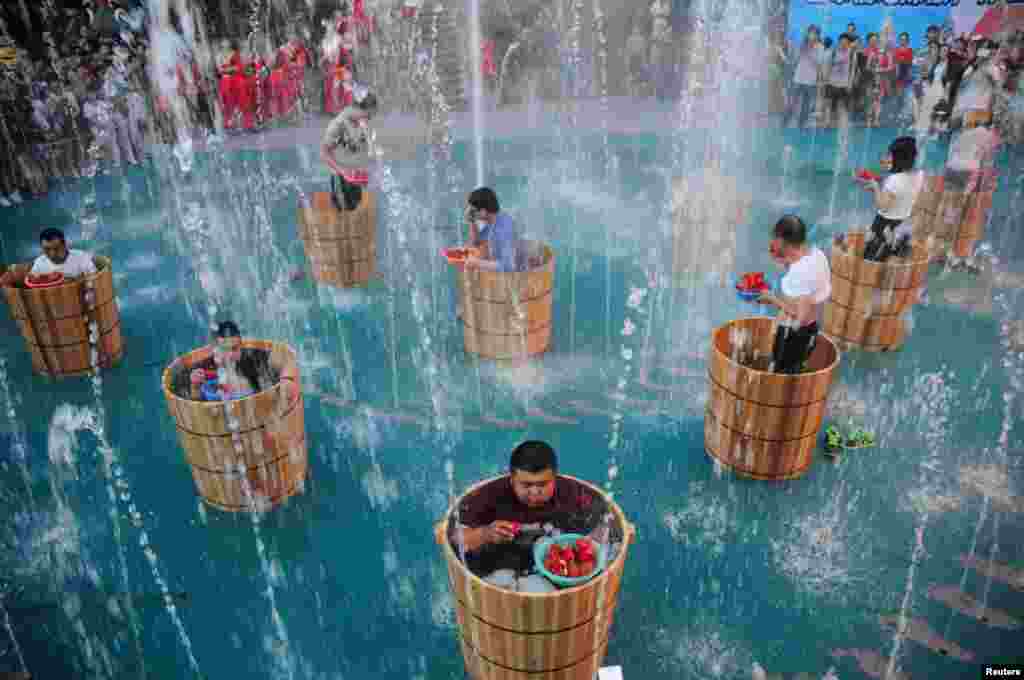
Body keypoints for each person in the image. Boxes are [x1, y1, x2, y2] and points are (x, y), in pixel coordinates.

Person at [448, 441, 609, 593]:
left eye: (542, 485)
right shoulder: (491, 496)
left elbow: (605, 522)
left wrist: (590, 550)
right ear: (511, 480)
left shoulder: (570, 494)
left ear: (555, 479)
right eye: (526, 485)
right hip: (501, 565)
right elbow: (455, 538)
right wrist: (486, 534)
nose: (534, 493)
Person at [757, 216, 831, 374]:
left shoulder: (797, 274)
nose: (773, 242)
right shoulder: (818, 255)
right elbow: (810, 289)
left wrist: (771, 299)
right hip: (812, 330)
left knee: (780, 376)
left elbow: (799, 316)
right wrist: (785, 262)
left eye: (776, 238)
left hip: (793, 334)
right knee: (795, 372)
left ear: (784, 242)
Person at [857, 137, 924, 262]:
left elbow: (883, 205)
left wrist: (876, 187)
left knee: (871, 259)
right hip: (900, 221)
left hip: (883, 223)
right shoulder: (919, 175)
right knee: (887, 253)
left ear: (898, 158)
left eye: (891, 155)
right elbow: (901, 195)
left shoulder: (895, 180)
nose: (889, 158)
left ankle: (871, 273)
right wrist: (881, 186)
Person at [185, 321, 276, 401]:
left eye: (234, 349)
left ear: (241, 347)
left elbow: (282, 357)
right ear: (215, 352)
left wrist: (286, 379)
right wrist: (195, 386)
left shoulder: (253, 365)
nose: (230, 355)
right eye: (224, 350)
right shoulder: (209, 373)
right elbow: (197, 404)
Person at [320, 85, 378, 211]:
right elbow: (324, 153)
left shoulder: (361, 124)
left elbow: (365, 150)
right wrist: (343, 172)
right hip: (340, 175)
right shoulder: (338, 125)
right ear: (357, 109)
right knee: (342, 208)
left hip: (354, 173)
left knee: (355, 207)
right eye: (367, 115)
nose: (369, 119)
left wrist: (365, 172)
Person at [464, 187, 523, 272]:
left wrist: (477, 263)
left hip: (515, 278)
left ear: (483, 211)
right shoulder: (493, 221)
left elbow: (508, 267)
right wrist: (472, 222)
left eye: (472, 211)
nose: (470, 213)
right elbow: (476, 243)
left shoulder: (503, 228)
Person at [787, 25, 822, 128]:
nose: (811, 35)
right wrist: (803, 47)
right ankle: (785, 122)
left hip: (810, 80)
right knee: (792, 103)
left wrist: (810, 51)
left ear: (817, 35)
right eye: (810, 32)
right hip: (798, 78)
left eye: (814, 33)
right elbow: (796, 58)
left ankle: (801, 125)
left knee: (806, 105)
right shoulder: (802, 45)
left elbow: (818, 62)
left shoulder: (820, 47)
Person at [29, 228, 97, 279]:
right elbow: (32, 280)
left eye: (56, 249)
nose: (52, 254)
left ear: (64, 245)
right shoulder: (39, 263)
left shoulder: (81, 257)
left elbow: (95, 277)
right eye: (47, 249)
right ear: (41, 248)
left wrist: (72, 280)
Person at [825, 33, 858, 127]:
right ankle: (828, 122)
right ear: (839, 42)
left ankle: (837, 122)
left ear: (848, 43)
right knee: (829, 103)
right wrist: (826, 80)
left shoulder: (852, 54)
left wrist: (850, 83)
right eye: (842, 42)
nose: (843, 44)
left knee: (842, 104)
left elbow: (852, 71)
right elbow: (828, 66)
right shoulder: (833, 52)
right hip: (832, 82)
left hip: (844, 84)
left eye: (846, 42)